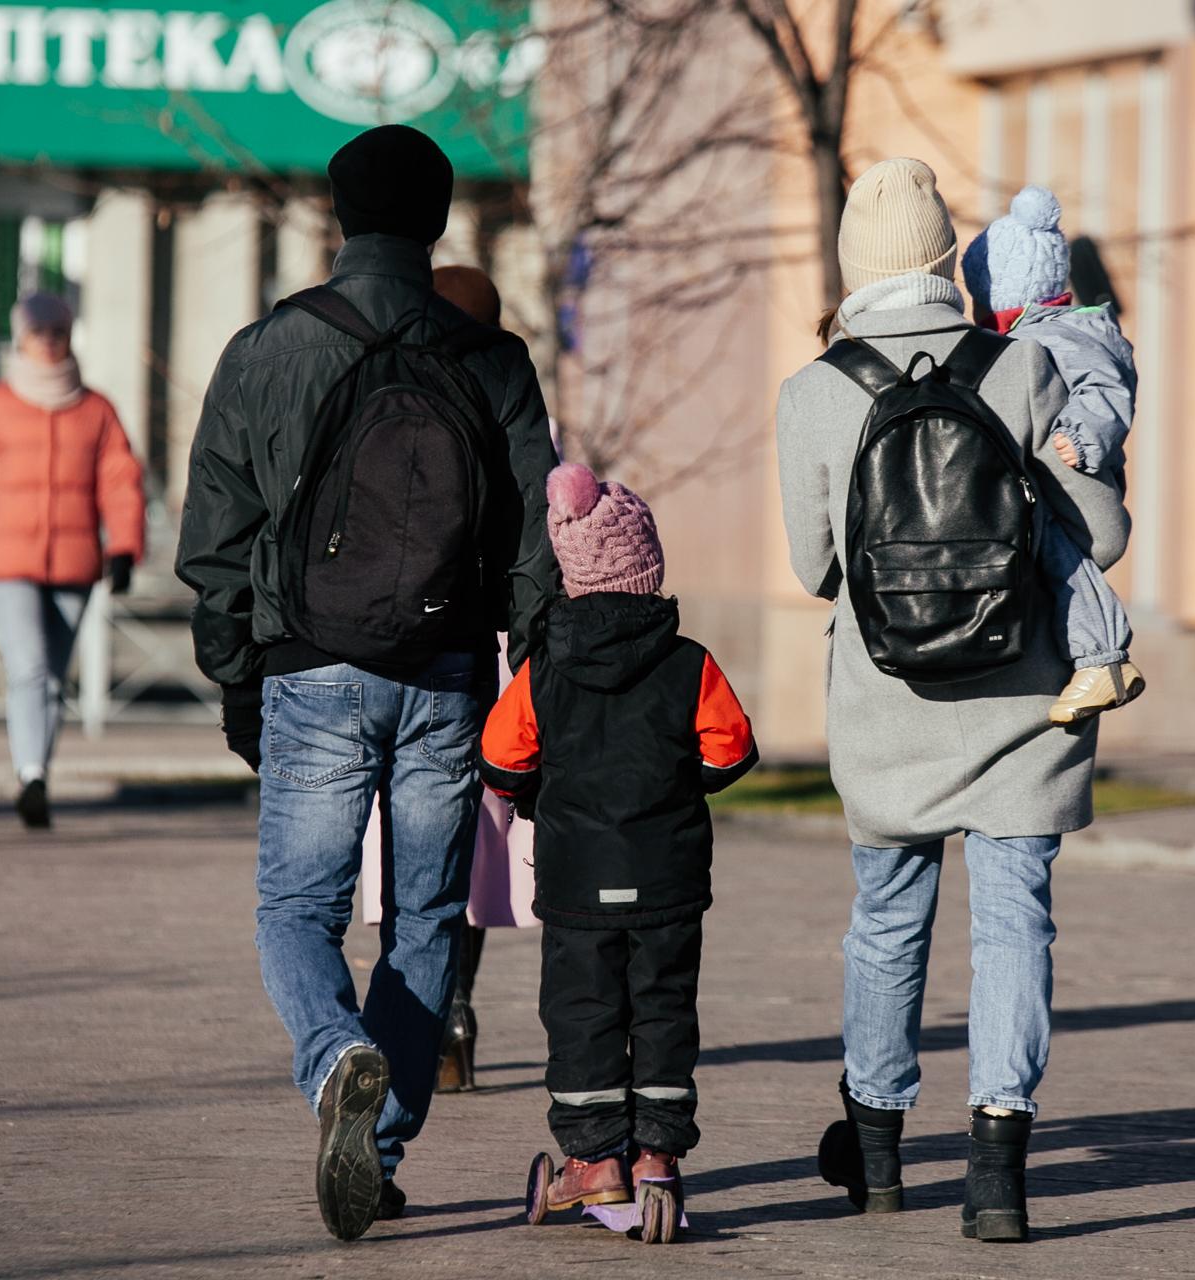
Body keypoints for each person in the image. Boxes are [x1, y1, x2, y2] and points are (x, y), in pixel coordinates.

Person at [175, 124, 560, 1242]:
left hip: (310, 666)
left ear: (339, 217)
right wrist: (524, 667)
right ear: (438, 220)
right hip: (446, 674)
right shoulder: (492, 357)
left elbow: (212, 539)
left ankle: (335, 1054)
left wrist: (239, 676)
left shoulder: (269, 346)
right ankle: (378, 1148)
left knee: (298, 909)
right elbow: (537, 532)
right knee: (428, 918)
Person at [776, 158, 1131, 1243]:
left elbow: (814, 569)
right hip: (1022, 704)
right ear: (946, 260)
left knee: (888, 921)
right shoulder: (1017, 365)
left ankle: (879, 1155)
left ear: (852, 268)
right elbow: (1103, 535)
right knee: (1015, 919)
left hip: (890, 706)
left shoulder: (813, 392)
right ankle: (996, 1172)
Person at [480, 463, 756, 1243]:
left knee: (582, 1011)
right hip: (666, 876)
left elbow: (501, 760)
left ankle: (593, 1158)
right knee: (664, 1006)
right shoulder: (689, 662)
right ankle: (658, 1157)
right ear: (648, 567)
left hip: (574, 881)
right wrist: (679, 780)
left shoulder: (543, 670)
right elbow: (729, 754)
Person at [357, 264, 545, 1097]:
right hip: (497, 645)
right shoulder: (510, 389)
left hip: (411, 643)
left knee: (412, 838)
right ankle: (456, 1007)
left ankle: (414, 1014)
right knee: (476, 838)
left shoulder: (405, 392)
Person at [0, 292, 146, 829]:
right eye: (37, 330)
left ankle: (38, 773)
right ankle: (31, 776)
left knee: (51, 677)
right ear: (20, 337)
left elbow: (121, 481)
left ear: (70, 335)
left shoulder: (96, 410)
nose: (47, 340)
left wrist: (123, 547)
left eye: (56, 330)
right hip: (8, 565)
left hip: (74, 565)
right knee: (28, 669)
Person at [962, 185, 1145, 723]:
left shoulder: (1063, 336)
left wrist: (1080, 434)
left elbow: (1106, 392)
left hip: (1079, 469)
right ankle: (1090, 658)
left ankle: (1104, 660)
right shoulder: (1050, 331)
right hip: (1062, 472)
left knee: (1059, 555)